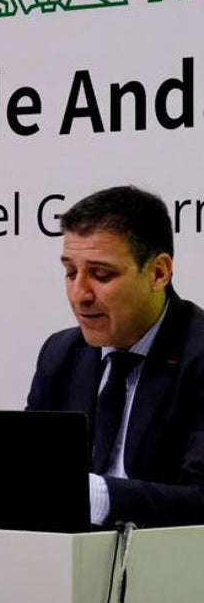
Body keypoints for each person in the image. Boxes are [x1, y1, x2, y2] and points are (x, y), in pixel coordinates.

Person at [27, 186, 204, 528]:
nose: (80, 295)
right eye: (70, 272)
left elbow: (200, 498)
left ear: (158, 273)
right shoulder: (60, 354)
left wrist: (100, 495)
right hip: (71, 568)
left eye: (101, 275)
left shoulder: (198, 354)